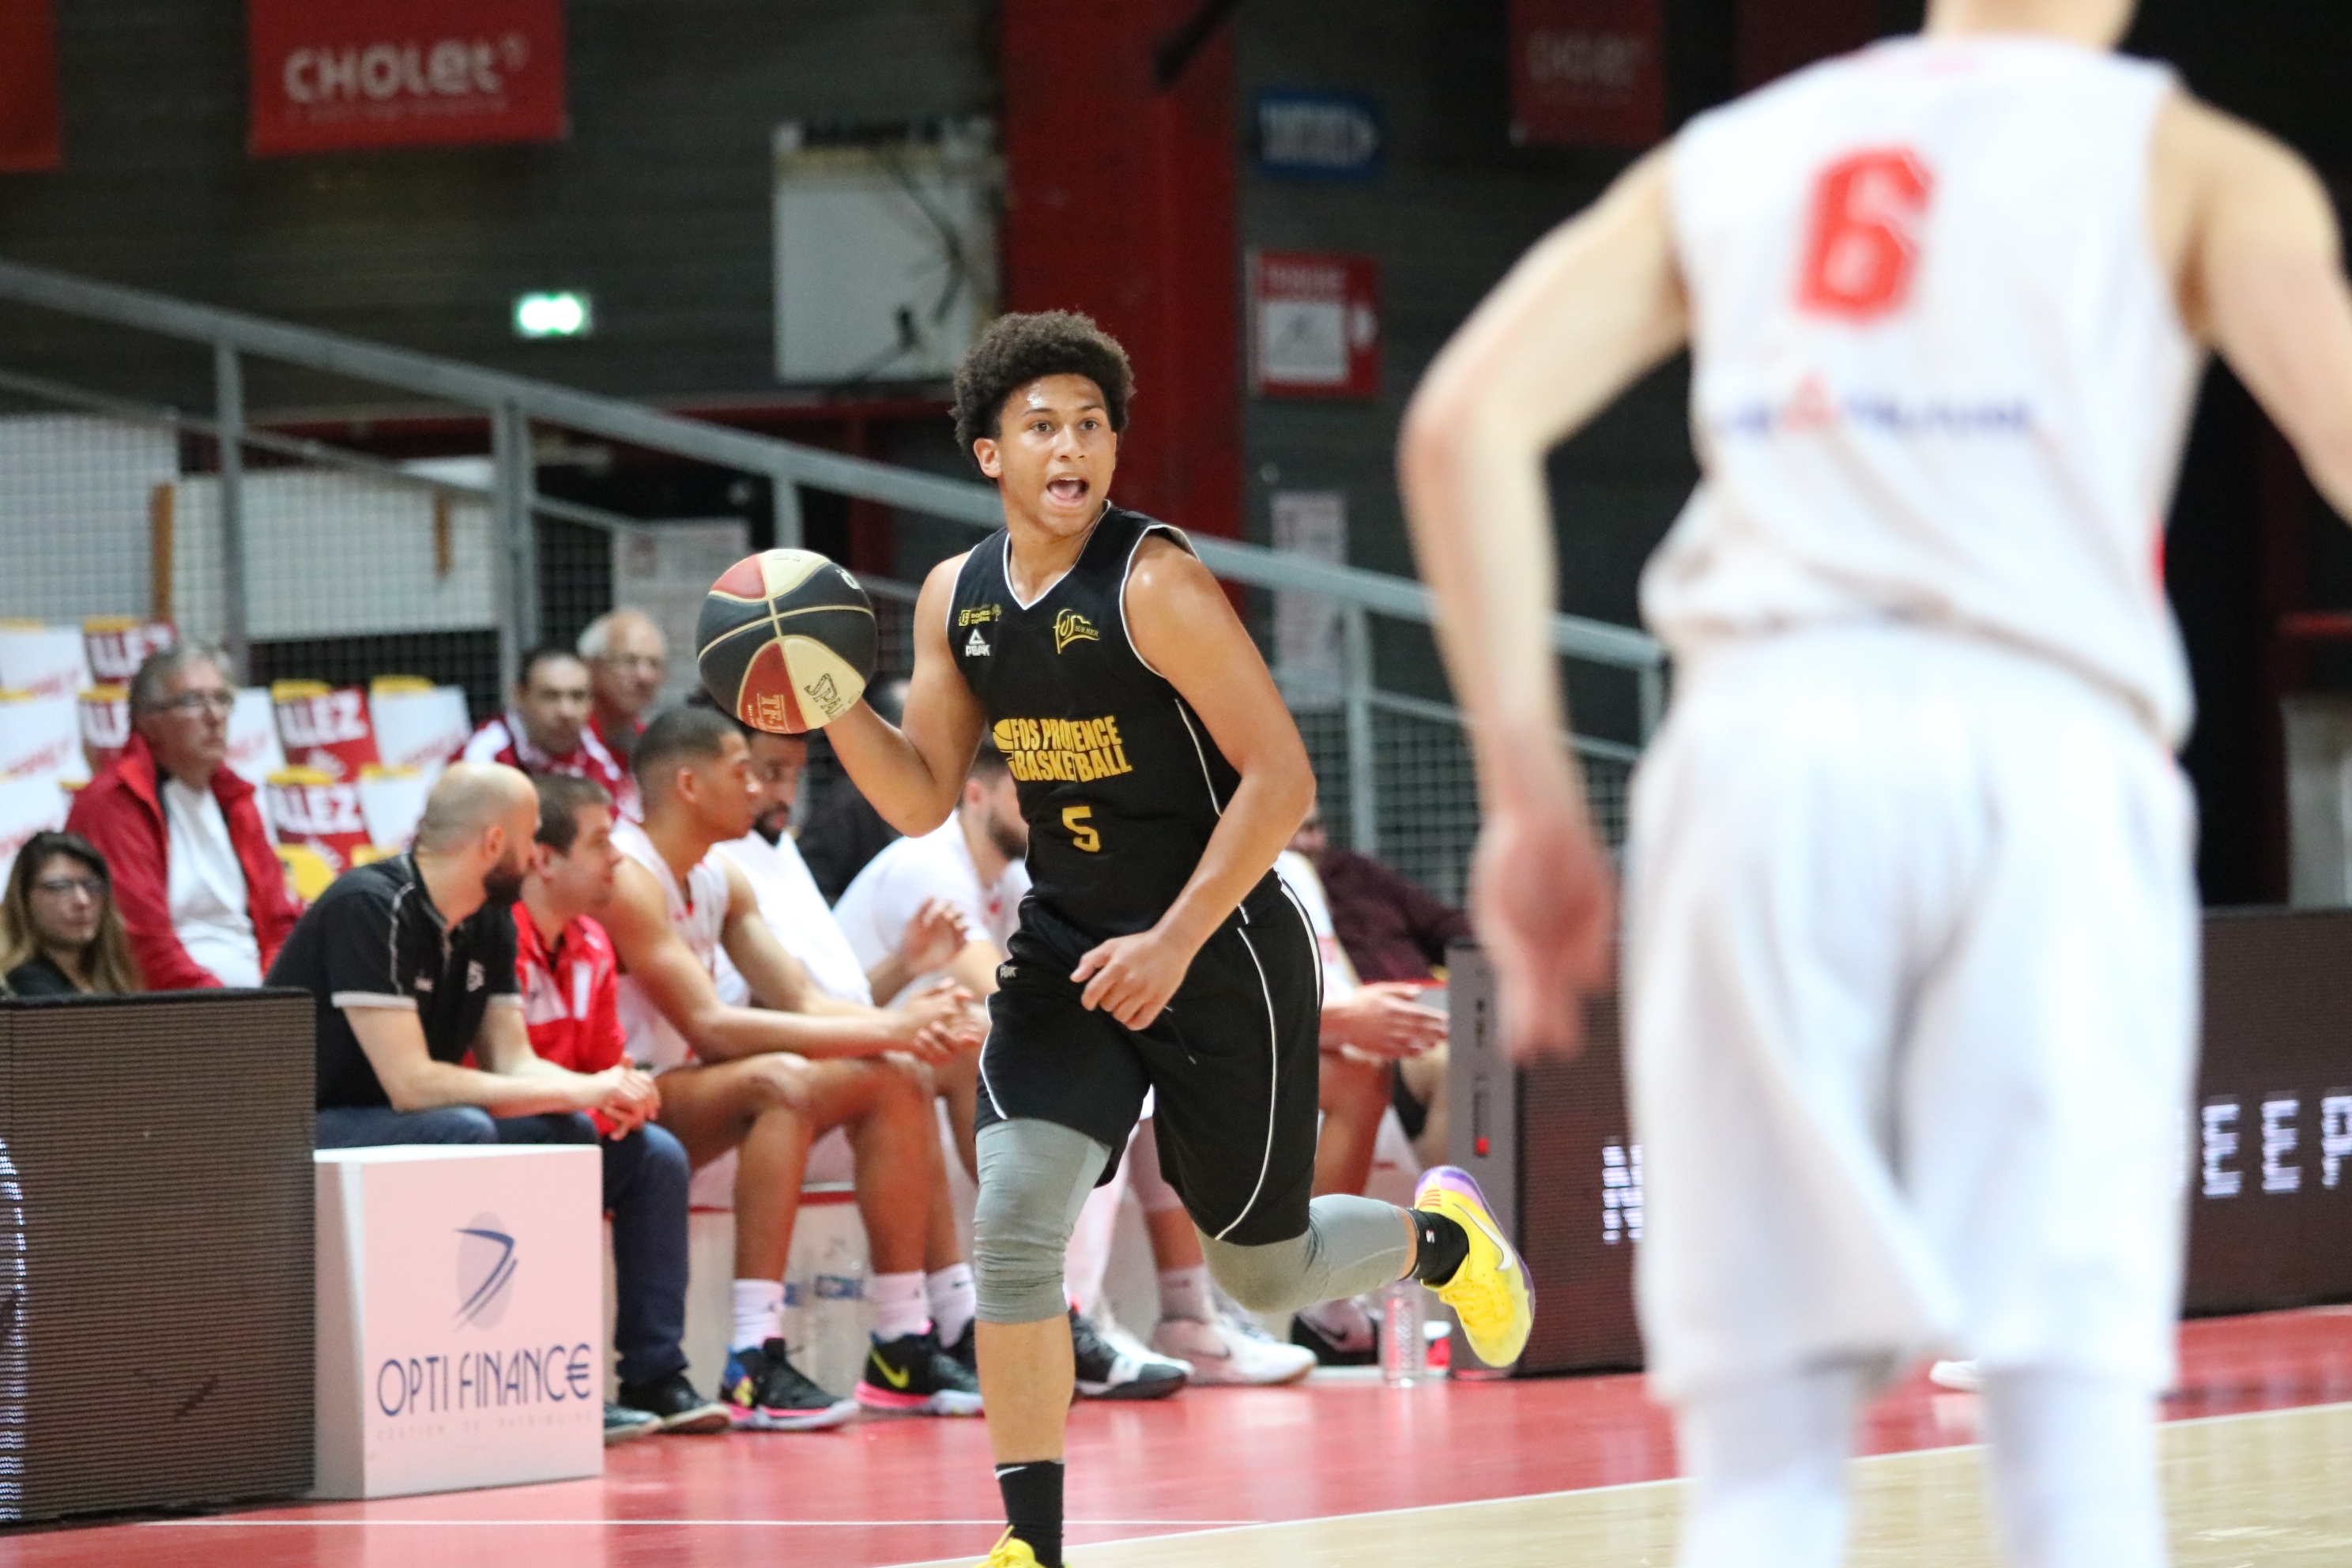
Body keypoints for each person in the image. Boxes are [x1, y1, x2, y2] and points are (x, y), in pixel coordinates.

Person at [1398, 2, 2352, 1562]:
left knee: (1767, 1471)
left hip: (1766, 743)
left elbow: (1457, 426)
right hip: (2046, 750)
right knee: (2073, 1447)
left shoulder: (1742, 150)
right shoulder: (2196, 163)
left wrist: (1530, 788)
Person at [824, 310, 1530, 1568]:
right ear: (991, 453)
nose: (1073, 447)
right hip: (1071, 954)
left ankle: (1441, 1242)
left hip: (1220, 953)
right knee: (1017, 1224)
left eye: (1092, 425)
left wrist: (1169, 941)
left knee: (1262, 1275)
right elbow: (925, 791)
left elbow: (1281, 780)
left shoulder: (1156, 582)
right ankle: (1029, 1547)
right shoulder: (954, 598)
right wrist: (827, 705)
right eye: (1043, 426)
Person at [600, 707, 986, 1429]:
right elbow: (709, 1028)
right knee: (779, 1079)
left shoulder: (721, 877)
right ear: (688, 784)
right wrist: (895, 1019)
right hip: (620, 1097)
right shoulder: (630, 874)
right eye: (741, 771)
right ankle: (751, 1356)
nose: (758, 786)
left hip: (690, 1098)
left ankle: (903, 1339)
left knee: (900, 1074)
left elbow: (806, 1000)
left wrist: (901, 1029)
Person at [270, 762, 658, 1152]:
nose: (532, 859)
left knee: (567, 1132)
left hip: (397, 1119)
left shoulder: (490, 918)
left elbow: (512, 1062)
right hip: (300, 1126)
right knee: (464, 1128)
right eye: (529, 839)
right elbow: (410, 1083)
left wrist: (604, 1089)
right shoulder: (371, 906)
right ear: (493, 843)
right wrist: (581, 1089)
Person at [514, 774, 732, 1443]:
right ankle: (558, 1385)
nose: (618, 859)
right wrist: (597, 1100)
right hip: (500, 1137)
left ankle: (654, 1373)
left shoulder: (593, 945)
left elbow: (610, 1063)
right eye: (601, 842)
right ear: (544, 859)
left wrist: (628, 1097)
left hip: (570, 1126)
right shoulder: (499, 939)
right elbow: (485, 1075)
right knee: (568, 1137)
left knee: (657, 1156)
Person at [67, 643, 300, 989]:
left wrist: (284, 994)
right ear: (148, 721)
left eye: (222, 699)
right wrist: (238, 1010)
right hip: (174, 1013)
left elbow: (279, 921)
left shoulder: (235, 798)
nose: (215, 716)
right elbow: (139, 944)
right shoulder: (112, 802)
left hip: (257, 1002)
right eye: (193, 702)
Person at [462, 643, 637, 817]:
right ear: (520, 696)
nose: (566, 711)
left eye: (577, 696)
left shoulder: (595, 751)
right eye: (551, 696)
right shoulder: (486, 755)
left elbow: (619, 824)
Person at [800, 677, 910, 902]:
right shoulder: (843, 807)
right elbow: (811, 892)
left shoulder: (946, 800)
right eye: (919, 728)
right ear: (890, 733)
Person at [0, 831, 141, 997]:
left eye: (92, 885)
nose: (82, 900)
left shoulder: (111, 976)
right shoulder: (23, 987)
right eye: (60, 886)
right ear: (23, 898)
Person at [578, 608, 668, 767]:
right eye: (629, 661)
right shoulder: (564, 740)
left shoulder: (653, 748)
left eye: (654, 664)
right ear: (592, 666)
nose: (644, 676)